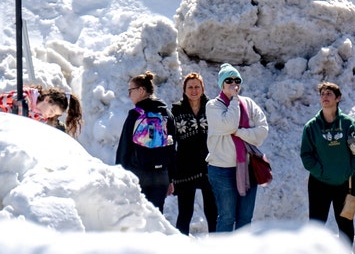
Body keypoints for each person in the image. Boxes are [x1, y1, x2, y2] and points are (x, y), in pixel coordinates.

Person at [300, 82, 355, 245]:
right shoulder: (312, 127)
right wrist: (320, 172)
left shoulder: (347, 125)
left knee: (345, 224)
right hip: (319, 184)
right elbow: (306, 155)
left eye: (329, 93)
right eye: (322, 94)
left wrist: (349, 170)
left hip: (345, 184)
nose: (325, 97)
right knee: (316, 225)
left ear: (338, 98)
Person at [205, 63, 269, 232]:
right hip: (222, 170)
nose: (234, 83)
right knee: (227, 218)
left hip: (248, 168)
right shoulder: (213, 106)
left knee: (245, 218)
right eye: (229, 80)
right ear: (221, 84)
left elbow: (262, 132)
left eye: (237, 80)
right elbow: (228, 124)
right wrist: (234, 100)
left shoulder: (248, 103)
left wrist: (239, 132)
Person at [115, 71, 176, 213]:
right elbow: (172, 147)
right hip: (161, 174)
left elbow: (125, 147)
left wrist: (120, 175)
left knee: (138, 216)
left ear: (141, 90)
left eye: (131, 90)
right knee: (156, 215)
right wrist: (170, 177)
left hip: (138, 173)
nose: (129, 95)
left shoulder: (135, 114)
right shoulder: (166, 114)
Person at [171, 72, 217, 235]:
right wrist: (171, 171)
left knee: (212, 212)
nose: (194, 90)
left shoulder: (212, 108)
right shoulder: (176, 110)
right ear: (184, 90)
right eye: (190, 87)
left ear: (203, 89)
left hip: (209, 165)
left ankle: (216, 247)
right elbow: (171, 140)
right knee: (185, 212)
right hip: (185, 166)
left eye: (197, 87)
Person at [0, 85, 83, 138]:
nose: (51, 114)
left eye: (55, 114)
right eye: (52, 110)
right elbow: (1, 100)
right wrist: (18, 100)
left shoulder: (41, 118)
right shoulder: (28, 95)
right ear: (47, 100)